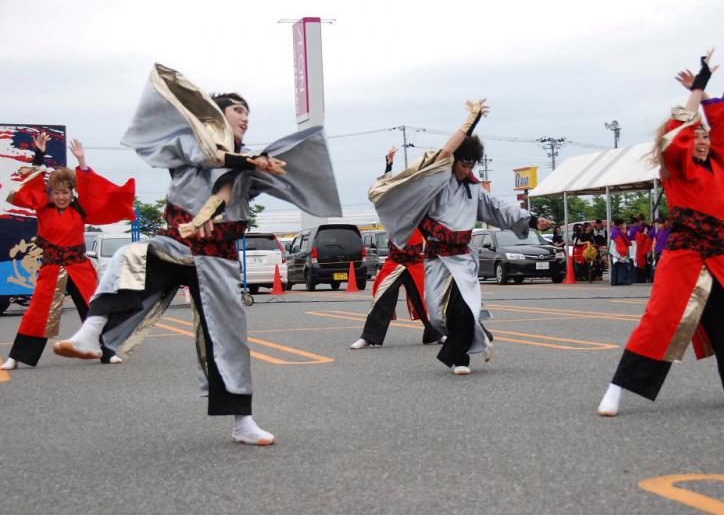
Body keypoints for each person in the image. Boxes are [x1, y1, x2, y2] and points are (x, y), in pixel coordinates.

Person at [54, 64, 341, 445]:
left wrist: (256, 164)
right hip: (177, 246)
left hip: (217, 258)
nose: (245, 117)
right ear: (216, 115)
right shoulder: (189, 147)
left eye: (248, 113)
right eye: (238, 110)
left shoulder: (249, 166)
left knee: (229, 339)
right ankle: (91, 333)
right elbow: (211, 154)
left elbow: (249, 173)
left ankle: (242, 422)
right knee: (129, 258)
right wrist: (241, 156)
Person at [598, 50, 724, 417]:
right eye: (695, 135)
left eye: (705, 135)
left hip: (716, 256)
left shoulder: (718, 164)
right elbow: (676, 133)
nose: (701, 139)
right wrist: (698, 88)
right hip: (684, 253)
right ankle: (617, 388)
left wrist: (708, 100)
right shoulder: (679, 168)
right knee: (661, 319)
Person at [369, 100, 549, 375]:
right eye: (464, 164)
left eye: (471, 165)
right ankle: (474, 337)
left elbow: (500, 209)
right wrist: (472, 120)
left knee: (464, 304)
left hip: (463, 258)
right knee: (438, 315)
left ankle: (460, 358)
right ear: (454, 161)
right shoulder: (437, 180)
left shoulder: (474, 189)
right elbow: (448, 149)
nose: (468, 170)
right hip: (436, 257)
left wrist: (533, 218)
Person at [1, 136, 135, 371]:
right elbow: (32, 185)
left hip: (79, 266)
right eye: (57, 192)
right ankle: (17, 356)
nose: (61, 197)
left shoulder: (81, 209)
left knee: (94, 308)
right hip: (52, 267)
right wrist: (39, 155)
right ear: (50, 193)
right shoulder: (43, 207)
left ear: (72, 193)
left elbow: (92, 190)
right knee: (37, 313)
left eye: (66, 192)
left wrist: (82, 161)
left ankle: (107, 351)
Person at [350, 148, 445, 349]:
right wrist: (388, 165)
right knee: (381, 294)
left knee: (426, 297)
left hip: (417, 259)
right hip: (396, 259)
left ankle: (436, 334)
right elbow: (380, 189)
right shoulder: (391, 205)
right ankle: (369, 337)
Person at [609, 218, 633, 286]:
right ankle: (621, 280)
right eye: (623, 224)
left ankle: (615, 281)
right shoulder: (617, 232)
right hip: (617, 251)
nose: (623, 225)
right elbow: (620, 243)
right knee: (621, 265)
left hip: (615, 250)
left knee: (616, 266)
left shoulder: (615, 231)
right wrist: (623, 253)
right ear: (620, 224)